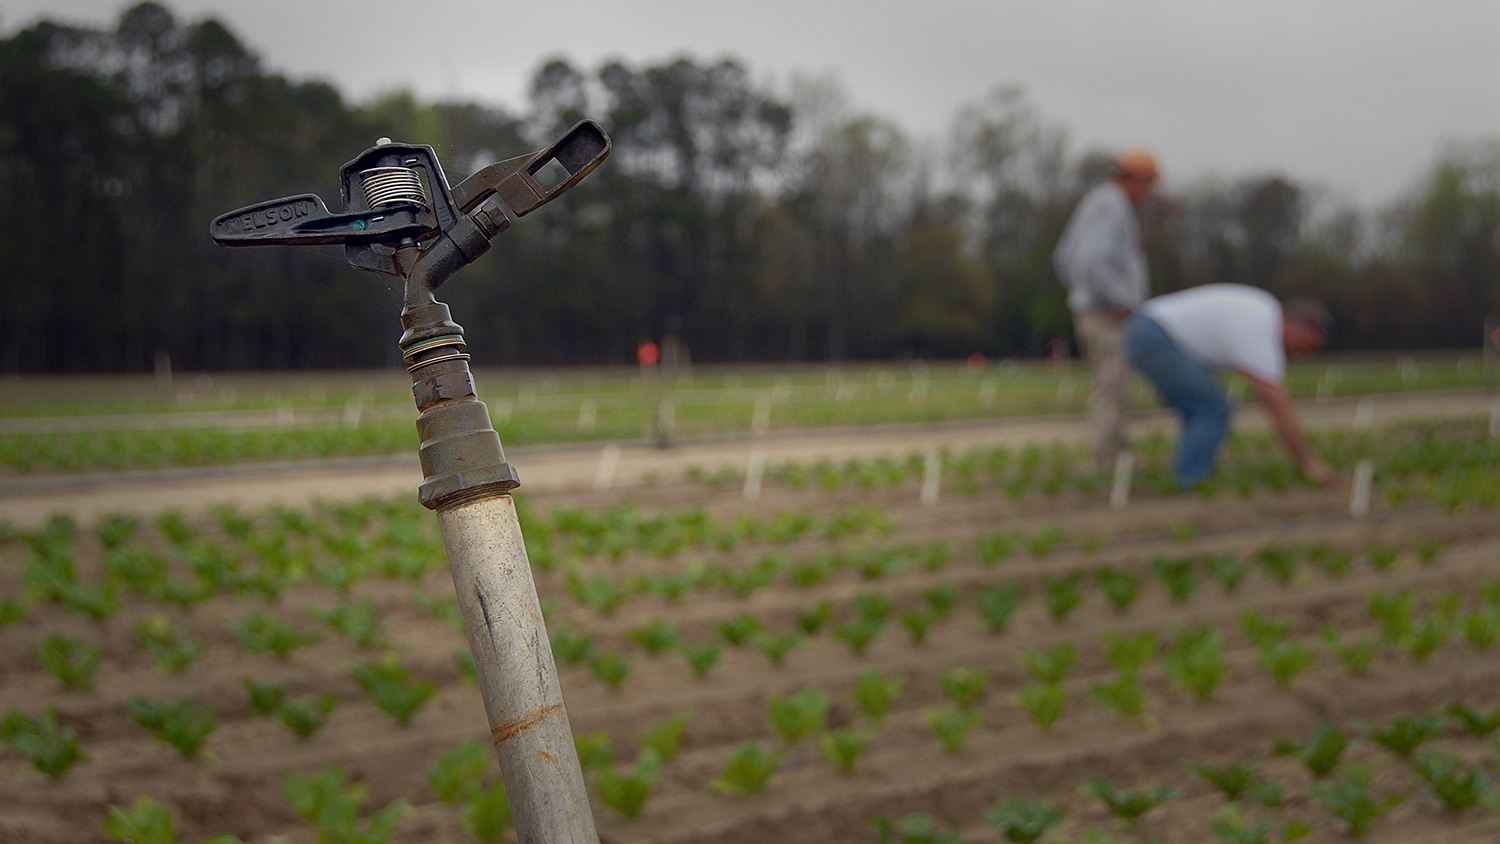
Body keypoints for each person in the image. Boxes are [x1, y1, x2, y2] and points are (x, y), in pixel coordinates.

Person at [1121, 283, 1339, 489]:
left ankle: (1190, 477)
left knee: (1201, 407)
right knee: (1211, 408)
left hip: (1145, 329)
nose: (1302, 354)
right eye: (1306, 345)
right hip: (1152, 335)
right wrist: (1309, 462)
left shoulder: (1262, 310)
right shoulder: (1260, 326)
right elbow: (1277, 405)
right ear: (1292, 323)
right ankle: (1190, 483)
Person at [1052, 149, 1160, 469]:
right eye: (1149, 184)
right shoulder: (1111, 206)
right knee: (1113, 389)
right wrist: (1119, 300)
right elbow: (1090, 260)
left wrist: (1083, 293)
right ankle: (1106, 460)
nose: (1150, 193)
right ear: (1136, 180)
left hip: (1097, 311)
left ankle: (1113, 455)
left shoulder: (1099, 202)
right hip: (1107, 316)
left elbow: (1065, 258)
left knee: (1112, 386)